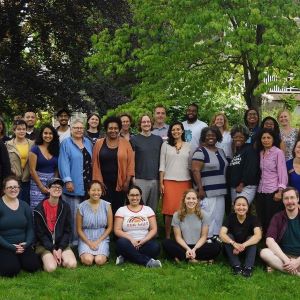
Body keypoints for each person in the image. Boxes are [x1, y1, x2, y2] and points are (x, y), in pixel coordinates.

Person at [162, 189, 221, 263]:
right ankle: (200, 261)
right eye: (188, 198)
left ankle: (185, 258)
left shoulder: (204, 215)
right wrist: (188, 249)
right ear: (184, 200)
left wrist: (194, 249)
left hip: (199, 246)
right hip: (183, 246)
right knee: (166, 242)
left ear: (197, 201)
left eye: (193, 198)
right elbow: (178, 237)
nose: (191, 201)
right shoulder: (177, 215)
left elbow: (204, 236)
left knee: (217, 246)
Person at [59, 119, 93, 244]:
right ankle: (73, 242)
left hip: (87, 185)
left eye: (81, 128)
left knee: (86, 215)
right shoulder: (66, 143)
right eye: (76, 128)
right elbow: (63, 163)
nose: (79, 130)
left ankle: (85, 241)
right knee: (74, 215)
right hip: (73, 185)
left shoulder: (88, 143)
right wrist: (67, 180)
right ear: (71, 130)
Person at [192, 126, 228, 240]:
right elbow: (195, 170)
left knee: (218, 216)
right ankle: (206, 238)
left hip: (221, 190)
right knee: (208, 216)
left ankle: (216, 237)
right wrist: (200, 189)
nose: (211, 137)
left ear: (217, 137)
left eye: (213, 135)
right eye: (208, 135)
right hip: (207, 190)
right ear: (204, 137)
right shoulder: (200, 151)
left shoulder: (221, 151)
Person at [92, 116, 134, 214]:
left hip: (121, 183)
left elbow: (131, 164)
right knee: (103, 210)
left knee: (118, 210)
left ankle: (116, 229)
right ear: (106, 129)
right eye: (110, 128)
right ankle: (106, 229)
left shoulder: (126, 143)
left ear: (119, 129)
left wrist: (127, 182)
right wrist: (98, 182)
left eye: (115, 128)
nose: (113, 130)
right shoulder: (98, 143)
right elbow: (94, 163)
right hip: (103, 184)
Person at [0, 175, 40, 277]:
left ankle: (18, 259)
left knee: (33, 266)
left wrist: (26, 244)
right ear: (4, 189)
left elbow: (30, 228)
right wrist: (10, 247)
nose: (13, 189)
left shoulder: (24, 205)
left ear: (19, 189)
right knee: (10, 271)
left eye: (16, 187)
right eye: (10, 187)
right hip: (5, 246)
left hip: (22, 245)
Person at [34, 178, 77, 272]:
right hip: (44, 244)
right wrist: (52, 249)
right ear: (48, 189)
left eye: (59, 187)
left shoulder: (65, 207)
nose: (57, 189)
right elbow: (40, 234)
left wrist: (60, 248)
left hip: (60, 243)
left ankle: (59, 258)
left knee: (72, 264)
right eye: (54, 186)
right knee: (51, 268)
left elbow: (67, 231)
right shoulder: (38, 209)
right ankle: (47, 259)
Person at [114, 185, 162, 268]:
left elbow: (154, 229)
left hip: (144, 243)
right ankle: (147, 262)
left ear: (140, 196)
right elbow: (117, 230)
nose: (134, 198)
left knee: (156, 247)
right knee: (121, 243)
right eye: (132, 195)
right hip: (128, 243)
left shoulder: (147, 209)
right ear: (128, 196)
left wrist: (144, 240)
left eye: (137, 195)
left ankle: (126, 256)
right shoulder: (121, 210)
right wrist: (131, 239)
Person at [159, 121, 192, 238]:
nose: (176, 131)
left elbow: (191, 165)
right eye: (173, 130)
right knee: (169, 211)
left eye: (178, 129)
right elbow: (162, 165)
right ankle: (168, 236)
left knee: (184, 210)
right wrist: (161, 183)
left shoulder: (189, 145)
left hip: (185, 181)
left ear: (182, 131)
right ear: (170, 131)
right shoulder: (165, 145)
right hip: (169, 181)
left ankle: (183, 235)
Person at [255, 128, 288, 235]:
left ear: (273, 139)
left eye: (268, 137)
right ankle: (264, 241)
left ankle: (273, 241)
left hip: (273, 191)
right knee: (262, 217)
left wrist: (280, 191)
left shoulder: (278, 152)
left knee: (272, 219)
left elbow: (282, 172)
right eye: (263, 138)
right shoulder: (260, 153)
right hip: (261, 190)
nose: (266, 140)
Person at [260, 187, 300, 275]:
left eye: (292, 197)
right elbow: (269, 240)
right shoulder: (278, 217)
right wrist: (287, 260)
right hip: (283, 257)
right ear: (283, 201)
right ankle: (297, 273)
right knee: (264, 253)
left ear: (298, 199)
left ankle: (279, 267)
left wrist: (297, 261)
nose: (289, 201)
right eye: (286, 198)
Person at [220, 196, 262, 277]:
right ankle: (236, 266)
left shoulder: (253, 219)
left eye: (244, 205)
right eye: (238, 205)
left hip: (247, 250)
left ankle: (248, 267)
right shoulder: (230, 218)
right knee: (228, 236)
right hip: (232, 250)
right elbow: (222, 234)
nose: (241, 207)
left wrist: (242, 245)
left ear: (248, 207)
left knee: (252, 237)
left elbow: (258, 236)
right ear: (234, 207)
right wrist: (233, 243)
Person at [130, 114, 163, 212]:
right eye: (143, 122)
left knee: (152, 209)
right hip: (140, 178)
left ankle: (152, 227)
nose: (146, 124)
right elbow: (131, 160)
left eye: (148, 122)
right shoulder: (134, 139)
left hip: (155, 179)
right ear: (140, 124)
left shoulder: (158, 140)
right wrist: (133, 177)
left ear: (152, 123)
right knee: (139, 208)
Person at [77, 180, 113, 266]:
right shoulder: (81, 206)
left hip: (102, 237)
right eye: (93, 190)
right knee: (88, 260)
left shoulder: (107, 205)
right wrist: (89, 242)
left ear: (101, 191)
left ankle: (101, 254)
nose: (96, 192)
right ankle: (86, 253)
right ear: (89, 191)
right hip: (86, 237)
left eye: (98, 190)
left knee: (99, 260)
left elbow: (110, 227)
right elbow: (79, 229)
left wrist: (98, 241)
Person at [29, 124, 59, 210]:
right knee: (37, 210)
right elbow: (32, 170)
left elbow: (57, 169)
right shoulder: (35, 149)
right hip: (37, 184)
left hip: (51, 184)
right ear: (41, 134)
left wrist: (53, 184)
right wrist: (41, 187)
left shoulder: (56, 149)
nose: (48, 136)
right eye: (45, 133)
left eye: (50, 133)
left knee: (51, 210)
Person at [227, 125, 259, 205]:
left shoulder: (249, 150)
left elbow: (251, 169)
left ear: (246, 138)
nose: (238, 139)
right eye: (235, 137)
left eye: (241, 137)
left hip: (245, 187)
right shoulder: (237, 151)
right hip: (235, 187)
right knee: (237, 210)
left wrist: (242, 184)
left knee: (241, 209)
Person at [6, 120, 34, 204]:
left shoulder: (32, 144)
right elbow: (5, 161)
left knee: (27, 203)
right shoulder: (7, 144)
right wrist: (10, 169)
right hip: (14, 179)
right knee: (14, 203)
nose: (21, 131)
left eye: (23, 129)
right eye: (18, 129)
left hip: (28, 180)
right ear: (14, 130)